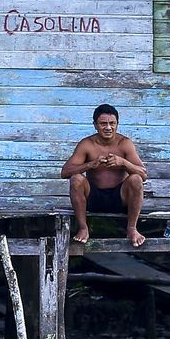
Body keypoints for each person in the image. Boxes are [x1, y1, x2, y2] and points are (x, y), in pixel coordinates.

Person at [60, 104, 148, 246]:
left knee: (136, 179)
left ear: (117, 124)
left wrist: (123, 163)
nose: (108, 127)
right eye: (103, 124)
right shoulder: (87, 144)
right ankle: (83, 228)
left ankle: (132, 228)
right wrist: (90, 165)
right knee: (76, 179)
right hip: (93, 198)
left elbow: (143, 174)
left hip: (120, 198)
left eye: (112, 123)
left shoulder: (125, 143)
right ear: (95, 125)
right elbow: (65, 172)